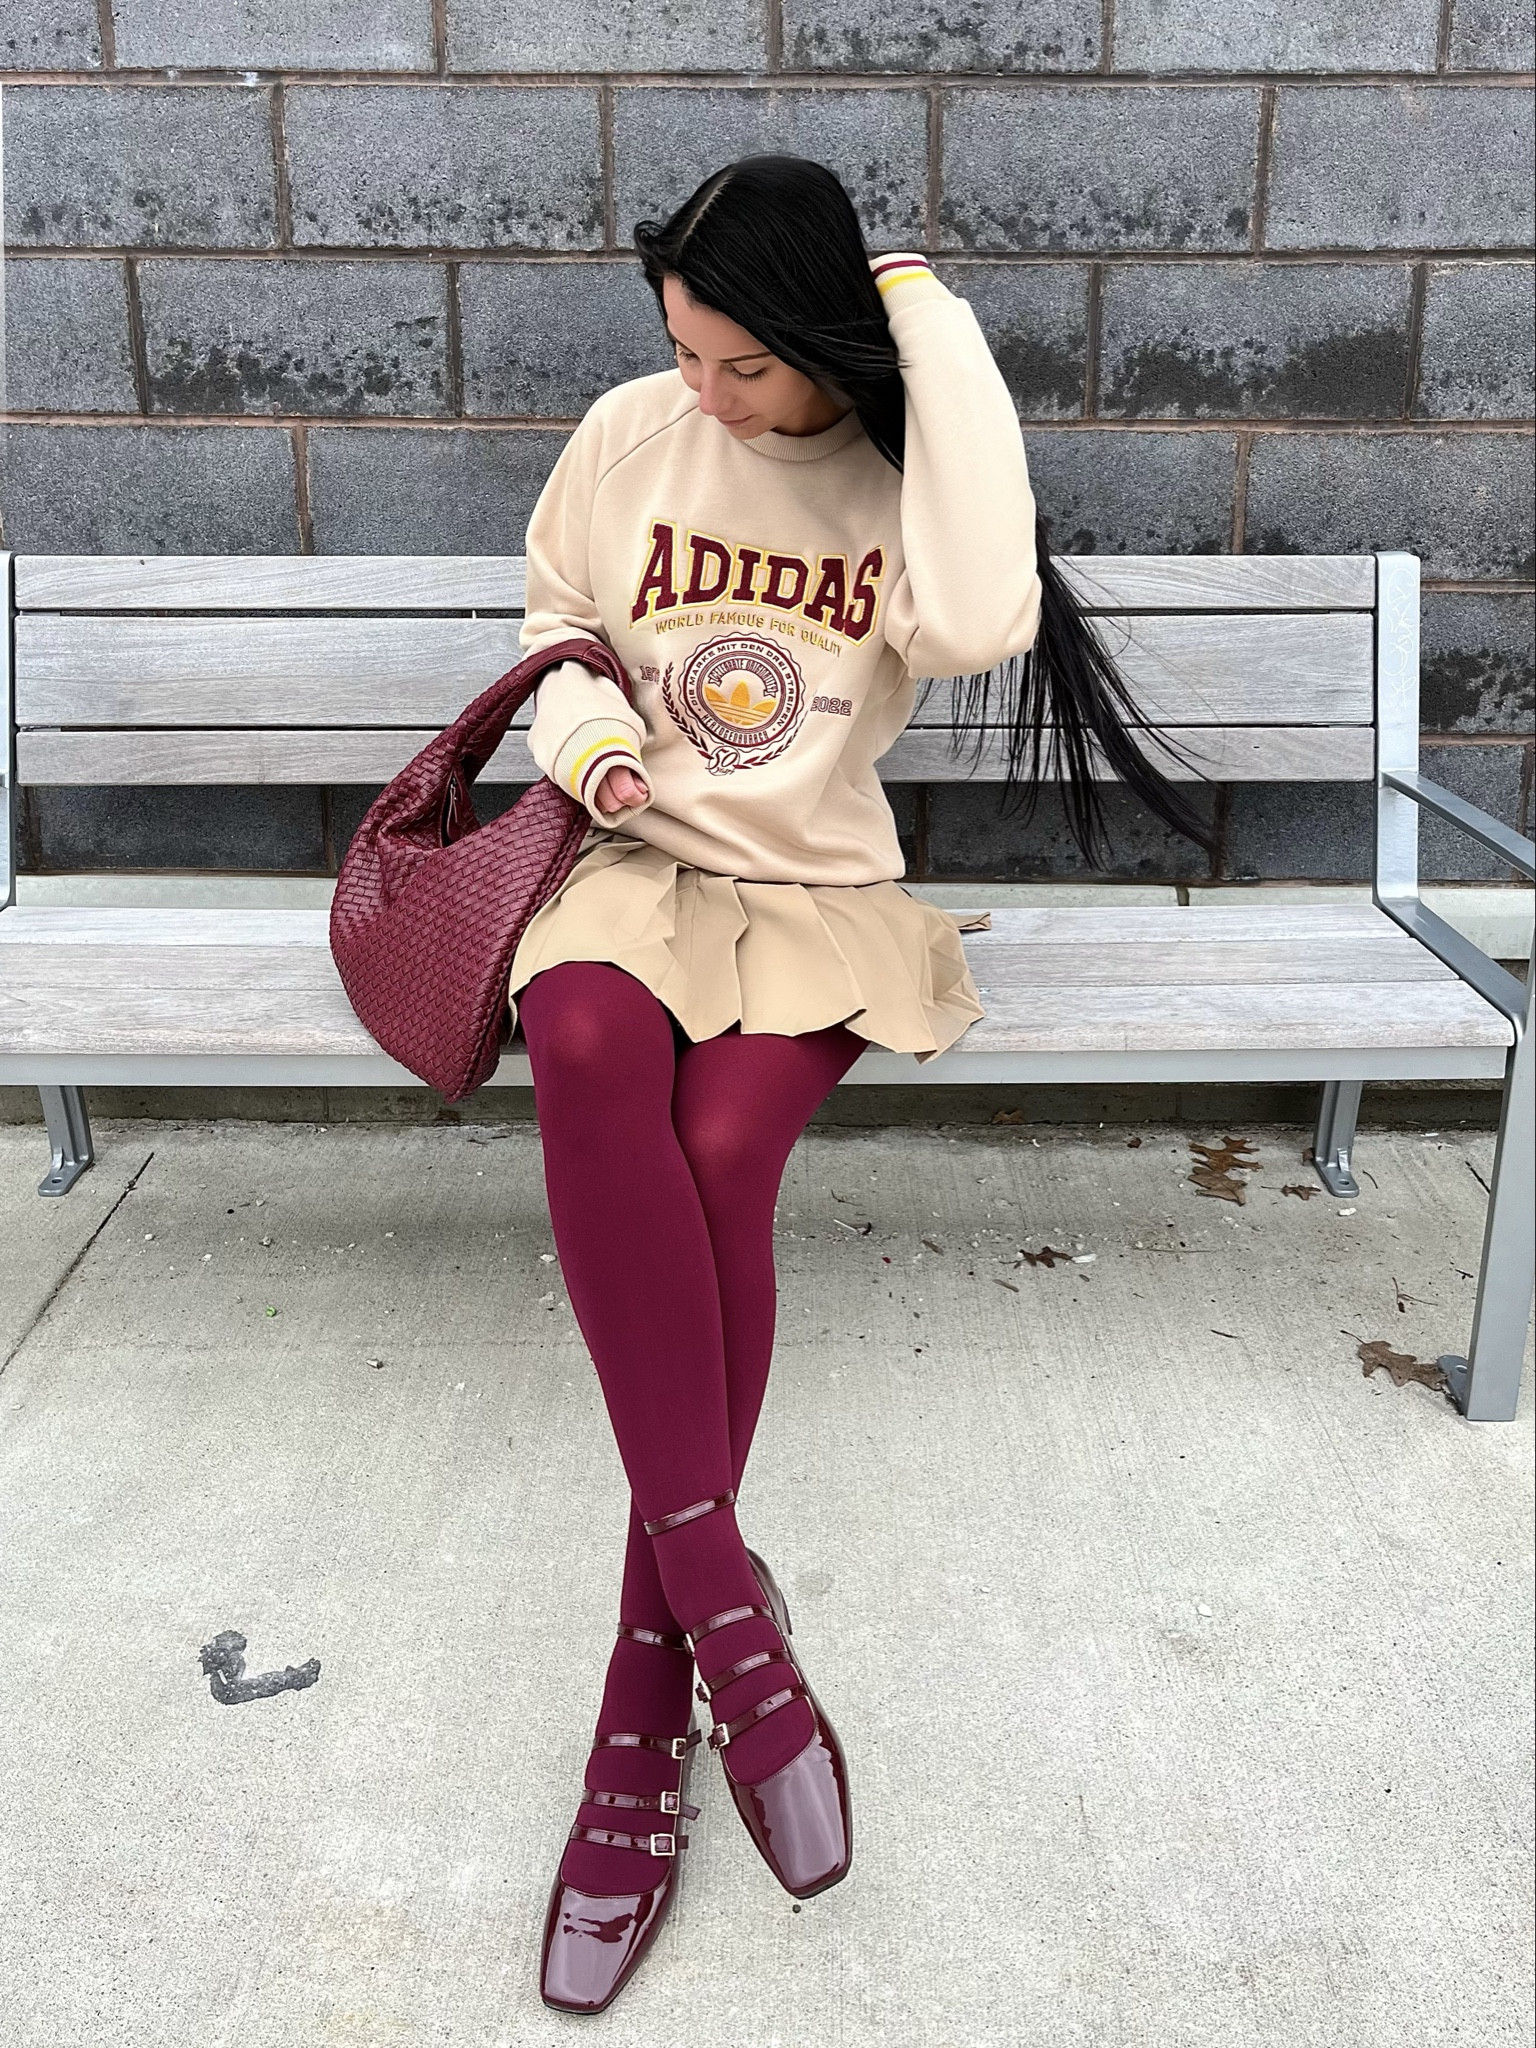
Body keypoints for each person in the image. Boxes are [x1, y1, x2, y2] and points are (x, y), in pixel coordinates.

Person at [506, 155, 1209, 2015]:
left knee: (721, 1167)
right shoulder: (629, 437)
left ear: (831, 339)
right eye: (679, 351)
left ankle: (645, 1691)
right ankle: (729, 1617)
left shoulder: (911, 483)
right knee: (580, 1042)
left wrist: (935, 314)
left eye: (739, 363)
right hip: (630, 865)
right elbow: (554, 625)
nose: (702, 394)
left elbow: (979, 618)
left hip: (817, 900)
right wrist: (593, 755)